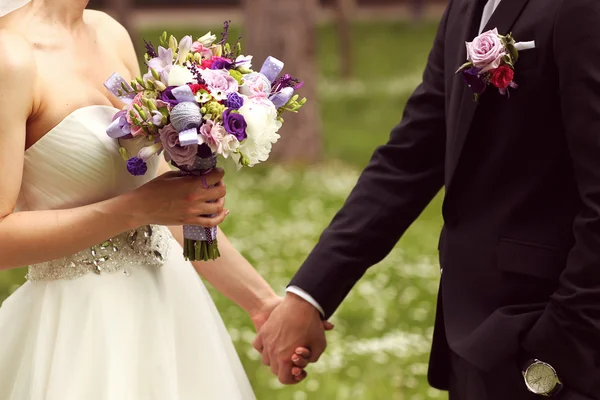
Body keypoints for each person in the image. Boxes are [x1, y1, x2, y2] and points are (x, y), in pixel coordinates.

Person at [255, 0, 600, 398]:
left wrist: (560, 342)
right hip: (477, 345)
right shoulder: (465, 7)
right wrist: (310, 295)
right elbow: (410, 157)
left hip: (554, 352)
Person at [0, 1, 319, 398]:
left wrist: (261, 304)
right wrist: (136, 209)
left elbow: (161, 195)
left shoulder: (108, 32)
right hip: (83, 329)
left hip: (171, 310)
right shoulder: (8, 56)